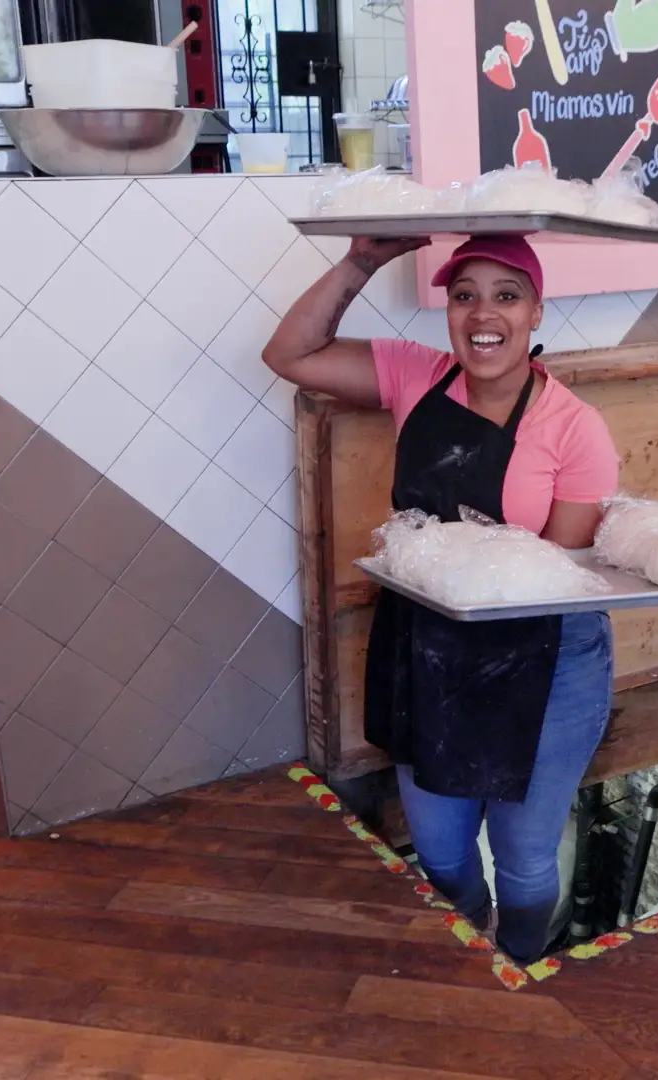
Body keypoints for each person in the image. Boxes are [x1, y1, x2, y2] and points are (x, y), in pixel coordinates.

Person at [262, 234, 619, 961]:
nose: (483, 313)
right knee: (442, 854)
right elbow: (289, 355)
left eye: (506, 295)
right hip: (428, 652)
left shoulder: (576, 429)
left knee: (523, 860)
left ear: (536, 311)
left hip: (544, 659)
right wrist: (364, 259)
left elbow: (549, 577)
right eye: (464, 295)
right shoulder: (414, 377)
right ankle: (470, 942)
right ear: (449, 312)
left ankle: (521, 967)